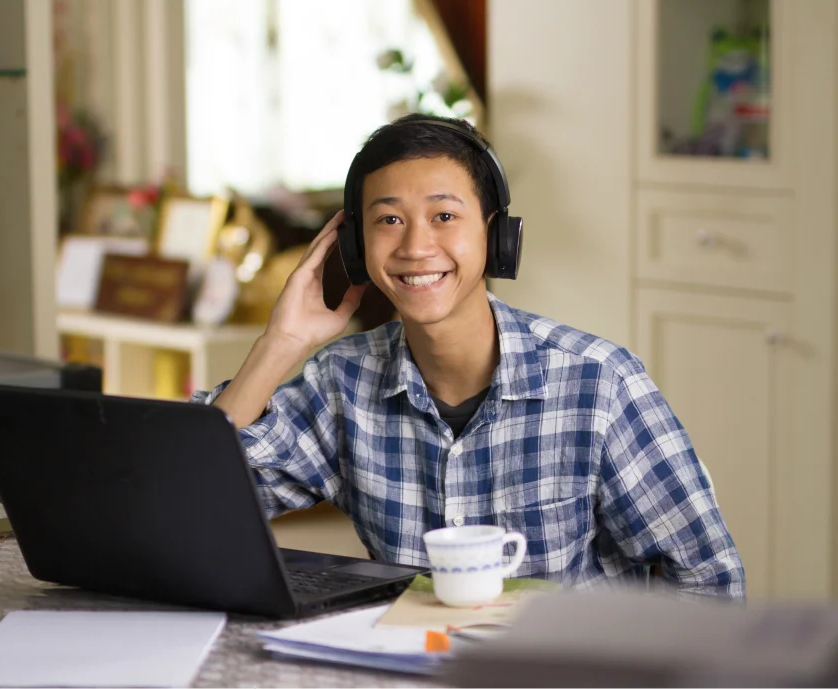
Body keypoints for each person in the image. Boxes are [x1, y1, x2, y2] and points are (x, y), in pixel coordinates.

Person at [191, 113, 745, 599]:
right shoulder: (342, 381)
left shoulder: (599, 383)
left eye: (444, 216)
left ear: (497, 235)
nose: (414, 246)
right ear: (356, 248)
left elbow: (708, 582)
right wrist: (280, 343)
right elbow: (196, 501)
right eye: (388, 220)